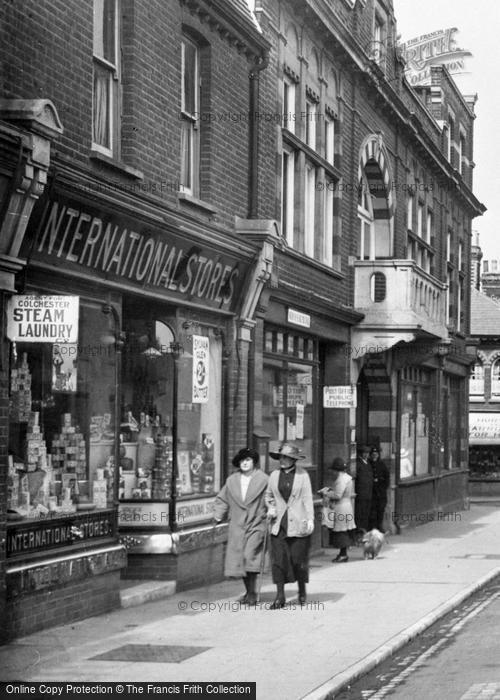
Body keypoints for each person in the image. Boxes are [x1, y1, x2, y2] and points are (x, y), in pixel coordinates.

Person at [213, 447, 268, 605]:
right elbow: (223, 499)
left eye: (248, 460)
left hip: (256, 523)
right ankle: (249, 592)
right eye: (242, 460)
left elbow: (271, 497)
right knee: (240, 560)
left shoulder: (264, 480)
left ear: (254, 462)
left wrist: (271, 510)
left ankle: (251, 593)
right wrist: (218, 515)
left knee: (249, 556)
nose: (245, 463)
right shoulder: (232, 481)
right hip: (237, 525)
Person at [265, 443, 314, 608]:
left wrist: (311, 519)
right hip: (279, 523)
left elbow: (307, 499)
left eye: (287, 458)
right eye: (281, 457)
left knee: (297, 559)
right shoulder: (273, 475)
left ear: (294, 460)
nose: (283, 460)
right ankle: (280, 596)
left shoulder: (303, 475)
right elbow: (269, 495)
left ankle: (301, 591)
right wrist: (271, 507)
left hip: (299, 522)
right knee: (278, 560)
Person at [320, 457, 356, 562]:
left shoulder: (341, 480)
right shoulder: (348, 478)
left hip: (341, 507)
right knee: (343, 530)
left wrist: (326, 492)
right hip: (347, 505)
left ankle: (343, 554)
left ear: (337, 470)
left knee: (340, 531)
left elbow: (337, 495)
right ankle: (342, 553)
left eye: (334, 470)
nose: (332, 473)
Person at [369, 446, 390, 532]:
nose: (374, 455)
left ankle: (379, 526)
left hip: (381, 493)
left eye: (376, 454)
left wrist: (383, 488)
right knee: (372, 511)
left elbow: (387, 478)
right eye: (373, 454)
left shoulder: (382, 464)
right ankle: (372, 527)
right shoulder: (369, 464)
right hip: (372, 492)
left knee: (380, 510)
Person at [354, 445, 373, 539]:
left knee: (366, 513)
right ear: (361, 454)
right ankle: (359, 532)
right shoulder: (358, 464)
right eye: (365, 453)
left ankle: (364, 530)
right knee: (360, 513)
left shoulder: (368, 463)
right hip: (361, 493)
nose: (366, 455)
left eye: (367, 453)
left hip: (368, 493)